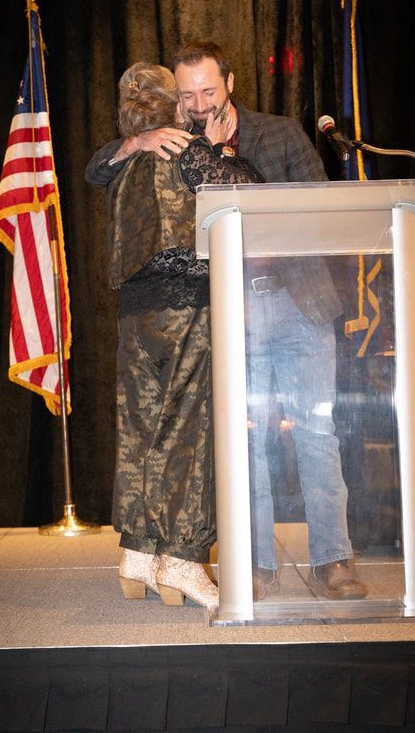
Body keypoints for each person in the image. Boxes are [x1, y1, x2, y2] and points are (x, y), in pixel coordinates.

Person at [86, 42, 368, 603]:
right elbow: (97, 169)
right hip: (229, 308)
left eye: (206, 92)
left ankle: (333, 561)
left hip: (296, 302)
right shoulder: (172, 143)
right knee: (247, 442)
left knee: (316, 434)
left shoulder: (280, 132)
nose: (195, 103)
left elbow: (316, 209)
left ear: (229, 83)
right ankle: (255, 562)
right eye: (185, 95)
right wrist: (140, 139)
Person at [85, 61, 262, 609]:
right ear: (175, 105)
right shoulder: (183, 148)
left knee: (142, 429)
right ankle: (183, 559)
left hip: (134, 314)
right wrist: (215, 148)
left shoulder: (127, 158)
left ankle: (138, 553)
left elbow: (96, 171)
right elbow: (248, 193)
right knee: (189, 431)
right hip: (187, 309)